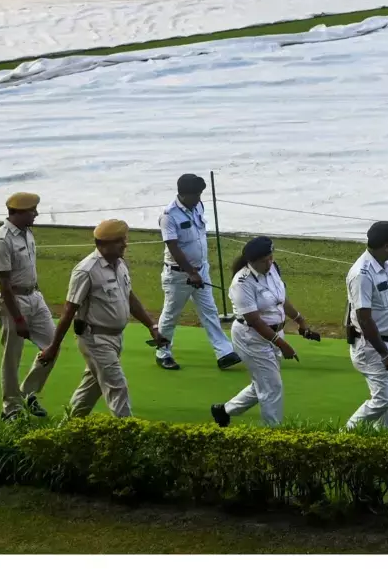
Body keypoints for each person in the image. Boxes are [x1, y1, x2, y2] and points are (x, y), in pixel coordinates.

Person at [40, 220, 167, 419]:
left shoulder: (120, 264)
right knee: (117, 387)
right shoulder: (86, 270)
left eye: (124, 240)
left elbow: (130, 297)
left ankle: (68, 429)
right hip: (95, 339)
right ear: (104, 244)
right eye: (120, 241)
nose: (125, 245)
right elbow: (68, 310)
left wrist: (151, 325)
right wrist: (53, 346)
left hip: (115, 339)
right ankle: (127, 435)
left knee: (90, 389)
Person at [210, 237, 317, 427]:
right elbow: (255, 321)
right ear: (251, 262)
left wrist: (300, 320)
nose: (269, 263)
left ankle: (224, 410)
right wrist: (283, 345)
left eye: (270, 257)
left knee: (263, 383)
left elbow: (281, 299)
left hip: (274, 333)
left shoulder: (273, 268)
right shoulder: (242, 283)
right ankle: (272, 433)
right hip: (251, 337)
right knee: (272, 387)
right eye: (264, 260)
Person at [155, 174, 238, 371]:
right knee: (171, 315)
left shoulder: (198, 206)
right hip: (178, 275)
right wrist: (191, 272)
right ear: (183, 194)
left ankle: (224, 352)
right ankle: (163, 352)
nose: (199, 198)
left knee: (209, 311)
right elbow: (173, 248)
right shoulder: (169, 216)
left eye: (200, 194)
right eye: (196, 194)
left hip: (201, 270)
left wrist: (198, 270)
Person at [0, 192, 55, 421]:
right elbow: (4, 284)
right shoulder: (1, 240)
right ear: (16, 212)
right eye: (31, 211)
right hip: (12, 301)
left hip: (35, 296)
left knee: (51, 346)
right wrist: (18, 319)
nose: (36, 214)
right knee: (12, 356)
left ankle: (27, 393)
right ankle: (11, 408)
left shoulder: (27, 233)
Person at [344, 222, 388, 429]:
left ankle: (381, 445)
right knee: (383, 400)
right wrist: (384, 354)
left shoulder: (385, 264)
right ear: (387, 245)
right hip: (372, 347)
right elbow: (364, 318)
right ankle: (345, 435)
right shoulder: (362, 273)